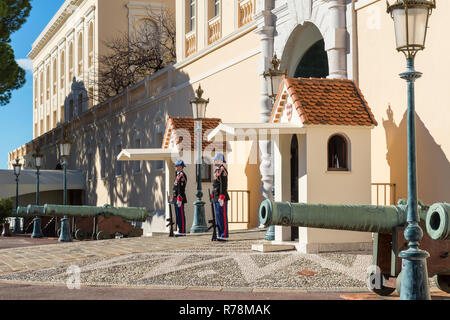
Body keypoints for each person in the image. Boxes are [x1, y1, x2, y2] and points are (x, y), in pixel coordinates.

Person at [212, 153, 230, 241]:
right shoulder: (217, 170)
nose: (214, 161)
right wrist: (213, 194)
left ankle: (224, 234)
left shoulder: (222, 170)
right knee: (218, 216)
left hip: (221, 197)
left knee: (222, 216)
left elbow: (223, 185)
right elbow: (215, 185)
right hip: (216, 197)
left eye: (215, 159)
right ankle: (220, 234)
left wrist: (222, 196)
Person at [172, 160, 187, 236]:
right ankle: (179, 229)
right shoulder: (177, 175)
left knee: (180, 214)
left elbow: (181, 188)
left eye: (176, 166)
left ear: (180, 167)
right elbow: (175, 187)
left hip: (179, 198)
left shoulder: (182, 175)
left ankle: (182, 230)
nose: (175, 167)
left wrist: (179, 198)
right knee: (177, 215)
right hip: (176, 198)